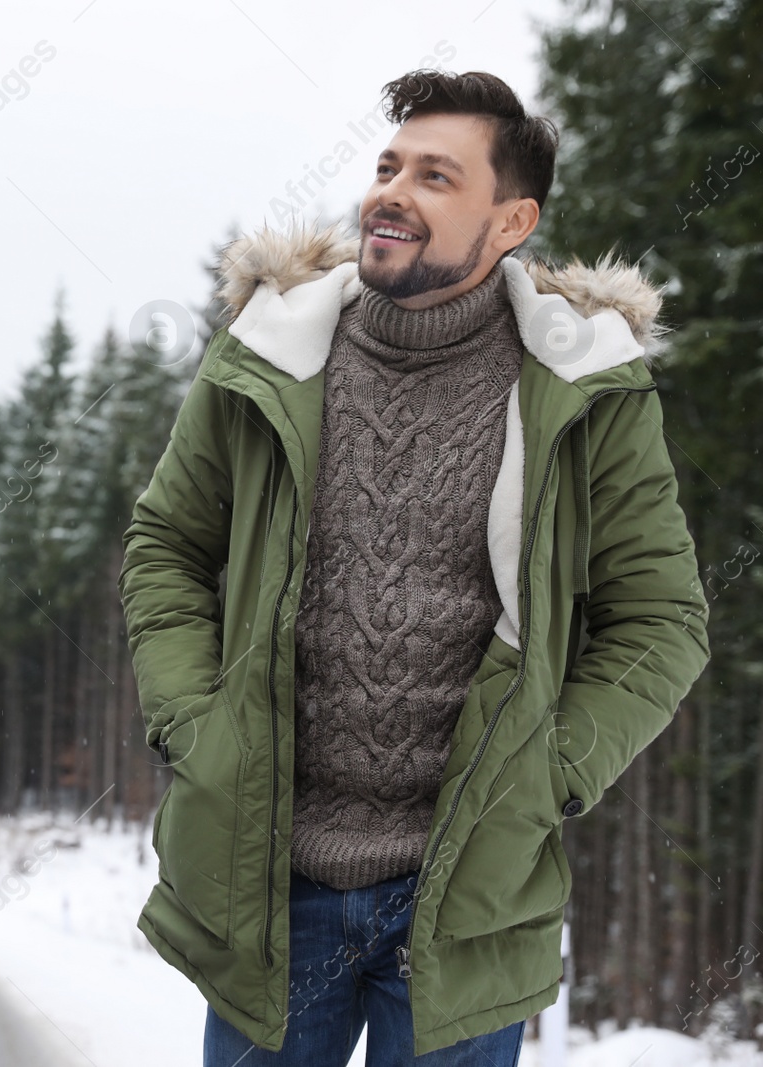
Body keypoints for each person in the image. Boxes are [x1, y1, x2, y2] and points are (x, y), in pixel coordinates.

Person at [119, 68, 711, 1065]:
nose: (389, 191)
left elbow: (661, 616)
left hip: (466, 891)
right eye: (387, 165)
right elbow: (169, 545)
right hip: (271, 882)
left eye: (437, 176)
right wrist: (192, 722)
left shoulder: (585, 387)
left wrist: (552, 771)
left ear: (511, 218)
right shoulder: (268, 356)